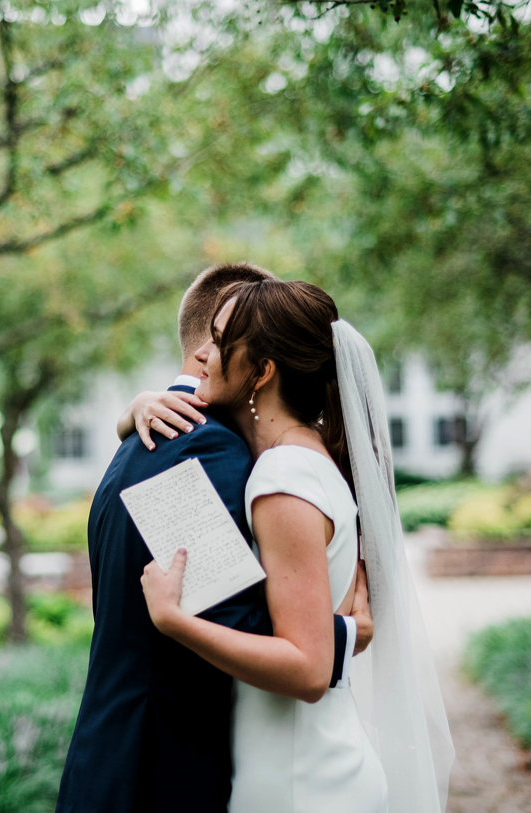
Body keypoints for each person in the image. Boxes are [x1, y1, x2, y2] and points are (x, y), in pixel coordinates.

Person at [55, 263, 375, 813]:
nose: (210, 357)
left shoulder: (146, 444)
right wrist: (348, 632)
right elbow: (248, 627)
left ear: (260, 366)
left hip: (123, 760)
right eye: (219, 339)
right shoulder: (200, 451)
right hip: (157, 772)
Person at [139, 278, 455, 813]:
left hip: (300, 783)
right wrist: (139, 408)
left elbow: (307, 669)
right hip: (307, 767)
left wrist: (175, 621)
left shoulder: (281, 478)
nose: (201, 354)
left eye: (218, 342)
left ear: (262, 372)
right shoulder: (310, 458)